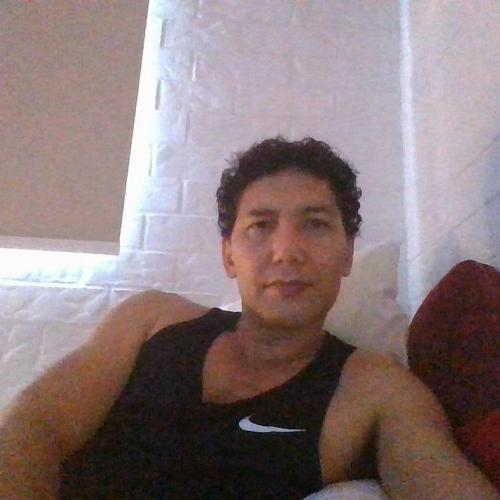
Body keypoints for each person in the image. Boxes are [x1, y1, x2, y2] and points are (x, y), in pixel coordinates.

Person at [0, 137, 497, 499]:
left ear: (347, 254)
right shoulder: (150, 321)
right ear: (229, 256)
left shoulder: (376, 391)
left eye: (315, 224)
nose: (286, 251)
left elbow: (435, 472)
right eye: (260, 226)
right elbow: (34, 422)